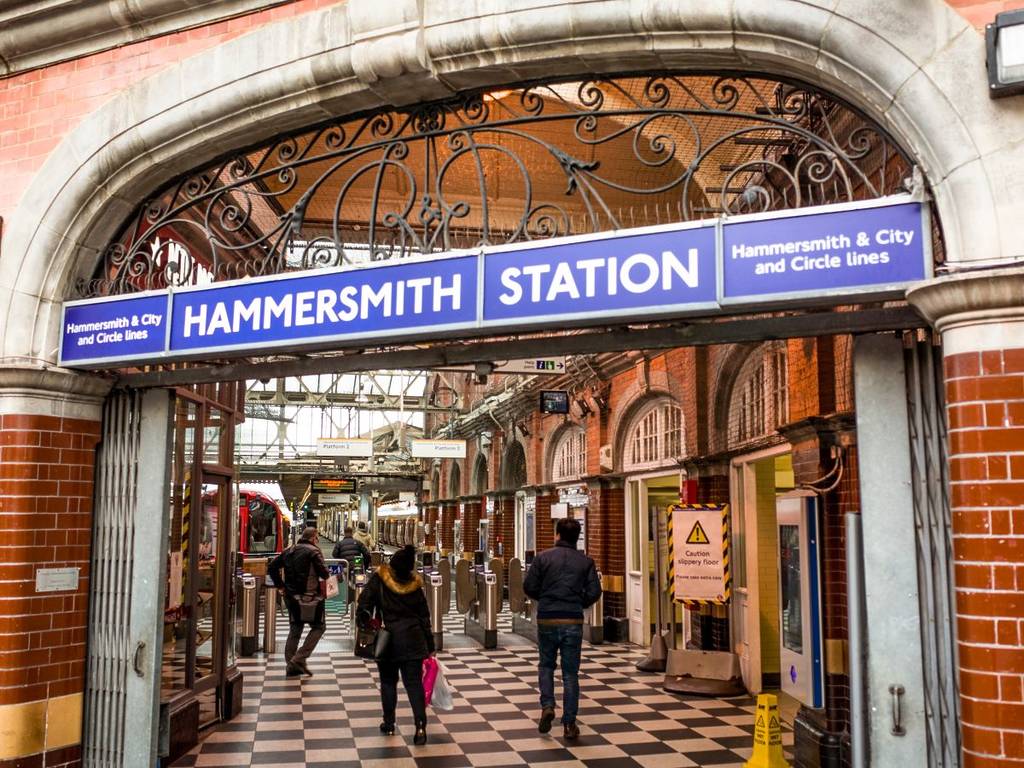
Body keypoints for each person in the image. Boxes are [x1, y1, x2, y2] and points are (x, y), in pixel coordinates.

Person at [523, 517, 602, 740]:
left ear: (557, 535)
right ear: (577, 537)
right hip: (572, 621)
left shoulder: (543, 558)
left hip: (547, 619)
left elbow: (529, 586)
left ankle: (547, 705)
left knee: (546, 665)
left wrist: (545, 599)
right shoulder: (585, 562)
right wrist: (580, 602)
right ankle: (569, 723)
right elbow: (595, 591)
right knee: (570, 673)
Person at [357, 544, 434, 746]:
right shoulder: (415, 585)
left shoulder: (380, 579)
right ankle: (420, 726)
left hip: (388, 639)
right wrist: (430, 644)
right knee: (414, 684)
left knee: (388, 682)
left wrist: (366, 622)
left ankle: (389, 723)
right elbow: (425, 616)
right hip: (414, 639)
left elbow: (364, 604)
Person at [269, 526, 329, 677]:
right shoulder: (314, 552)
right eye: (317, 538)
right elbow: (324, 573)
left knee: (295, 629)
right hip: (309, 597)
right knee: (319, 627)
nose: (318, 541)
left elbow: (271, 567)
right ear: (313, 538)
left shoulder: (290, 550)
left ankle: (292, 666)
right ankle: (298, 659)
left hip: (291, 596)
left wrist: (281, 586)